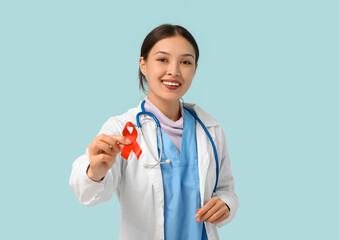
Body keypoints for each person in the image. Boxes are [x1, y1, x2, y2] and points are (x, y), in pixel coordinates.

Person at [69, 24, 239, 240]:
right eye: (162, 59)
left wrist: (225, 204)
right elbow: (89, 194)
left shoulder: (210, 129)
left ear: (195, 69)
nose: (174, 71)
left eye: (185, 62)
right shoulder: (124, 130)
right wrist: (95, 172)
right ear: (143, 64)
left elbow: (226, 189)